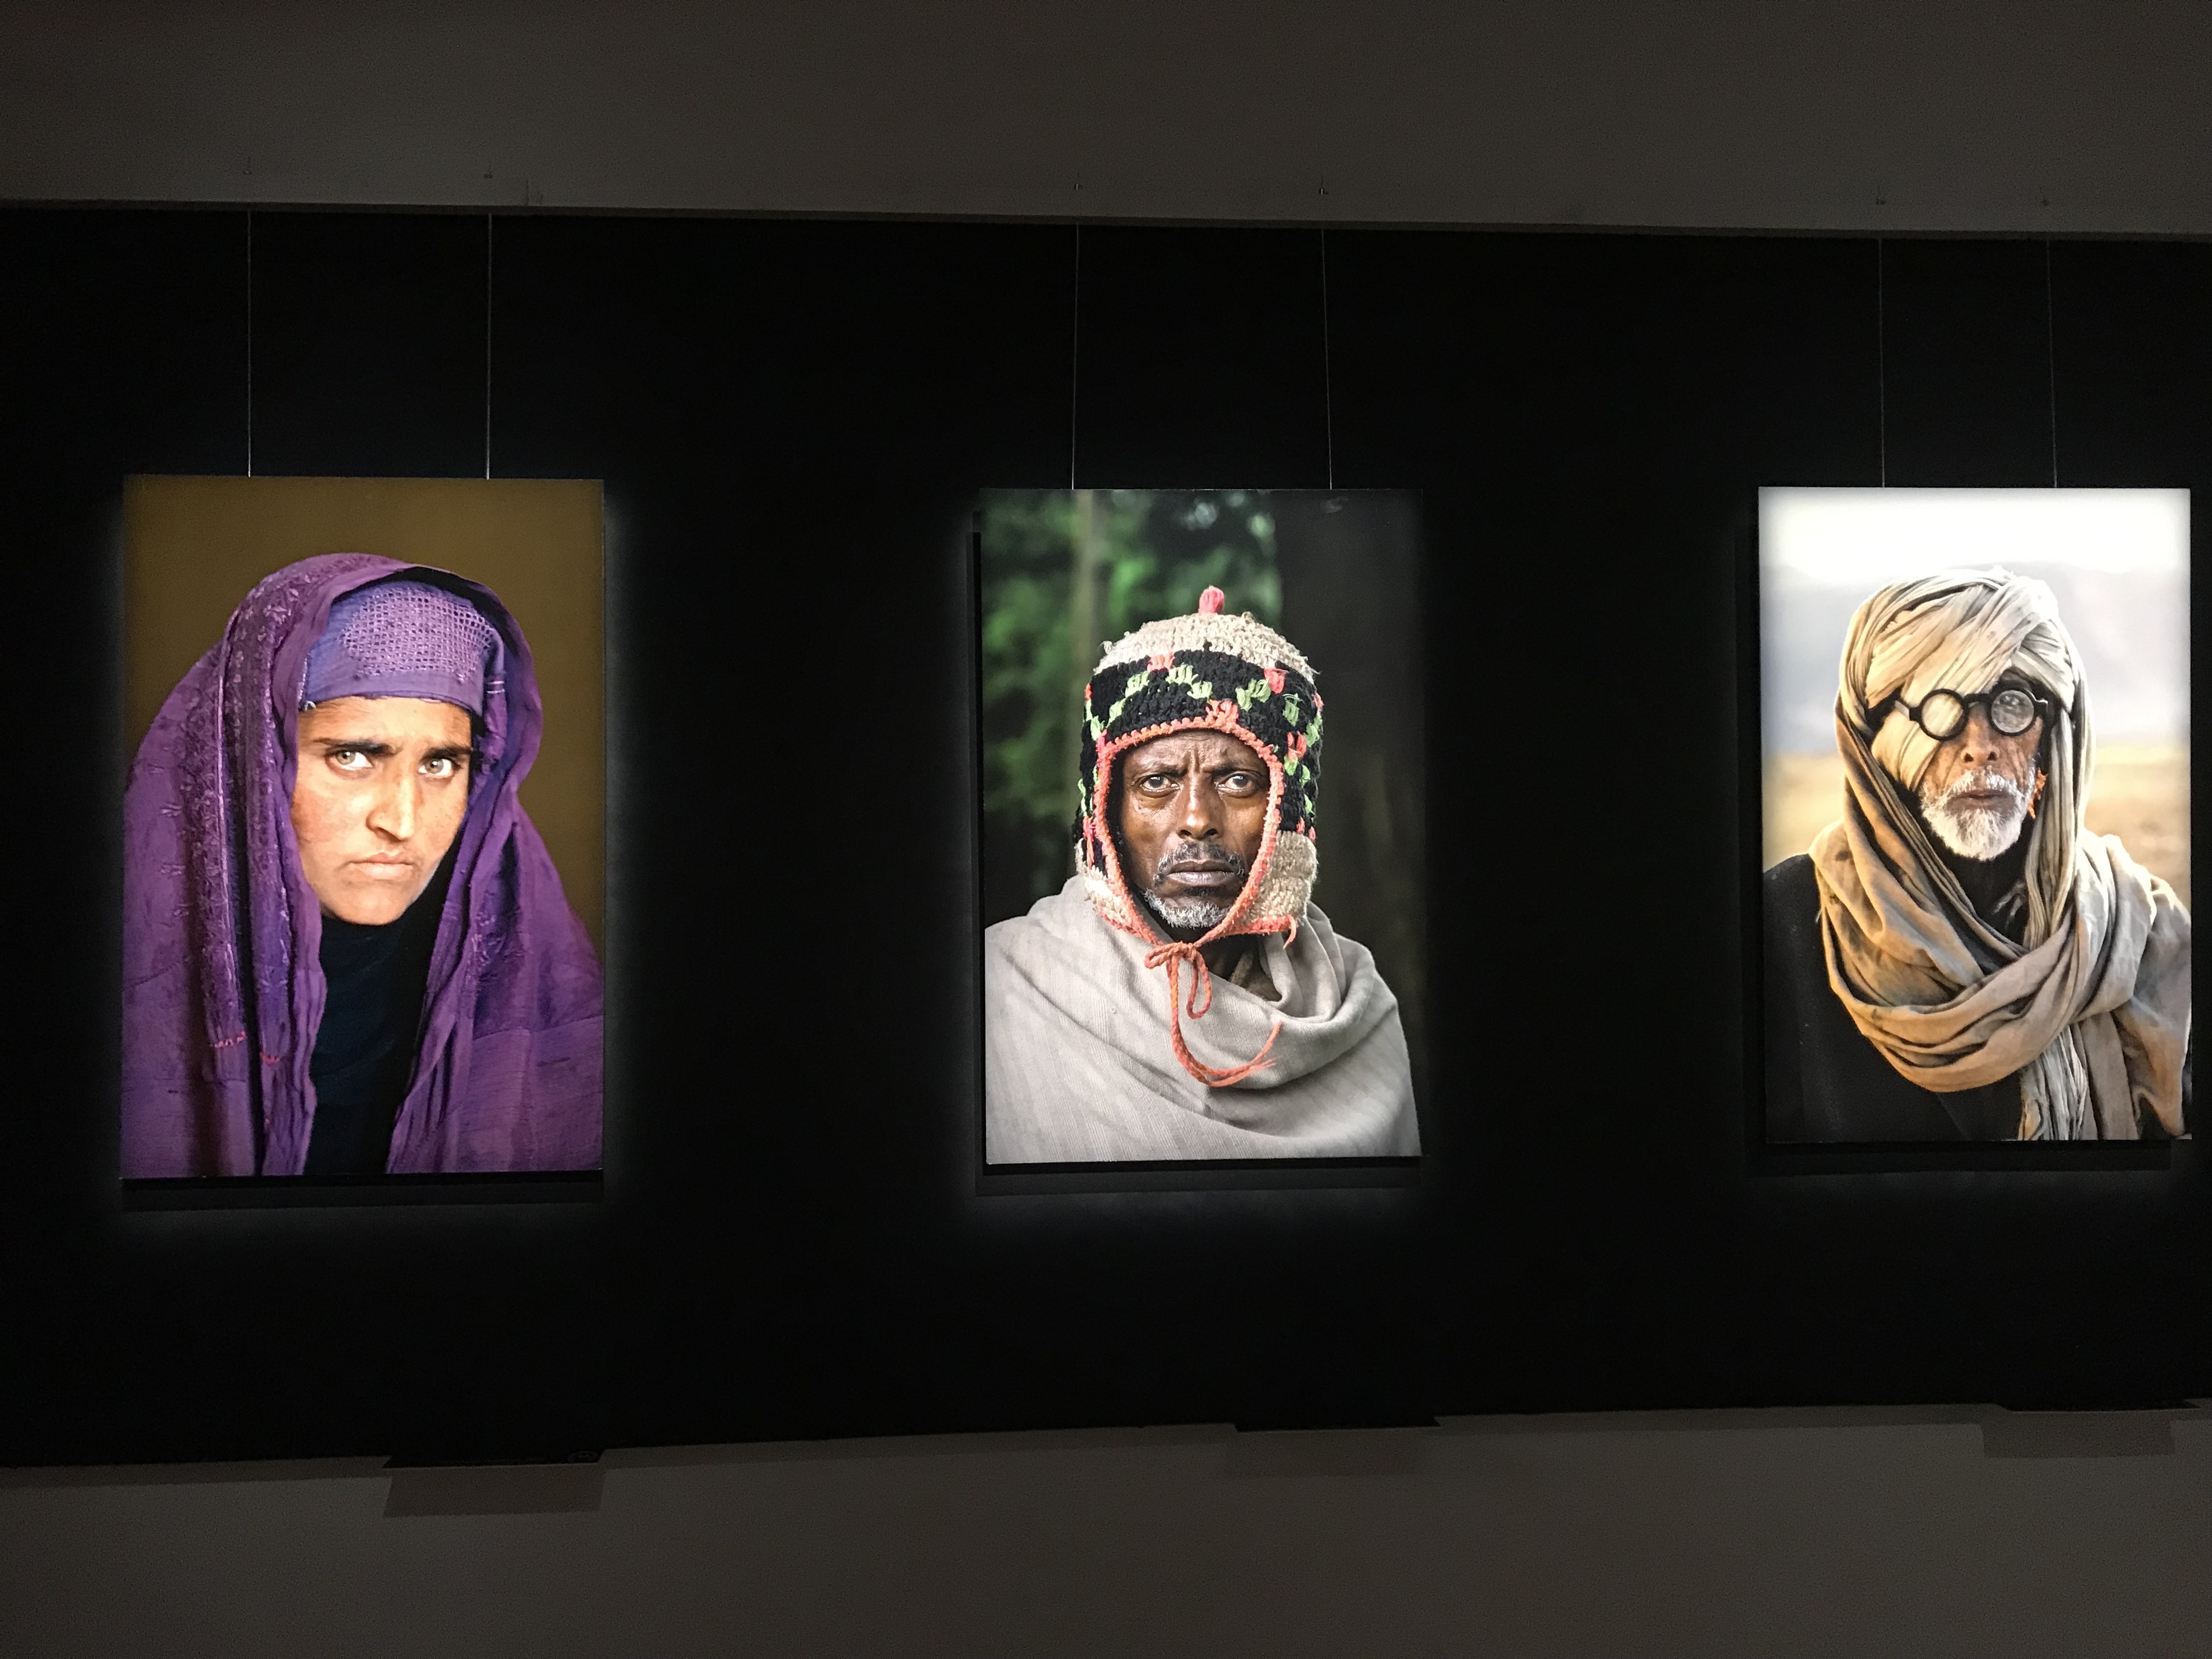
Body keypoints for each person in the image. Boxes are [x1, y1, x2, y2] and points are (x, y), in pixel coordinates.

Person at [123, 554, 602, 1177]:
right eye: (352, 756)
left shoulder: (525, 973)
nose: (401, 822)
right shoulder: (128, 985)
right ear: (253, 764)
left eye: (440, 764)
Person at [985, 586, 1419, 1162]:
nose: (1196, 820)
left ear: (1289, 811)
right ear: (1105, 811)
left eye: (1238, 781)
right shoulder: (1003, 984)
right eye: (1156, 782)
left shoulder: (1358, 1007)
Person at [1765, 567, 2190, 1142]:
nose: (1980, 747)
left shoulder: (2144, 927)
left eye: (2012, 706)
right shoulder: (1784, 923)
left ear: (2052, 738)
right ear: (1881, 743)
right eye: (1942, 710)